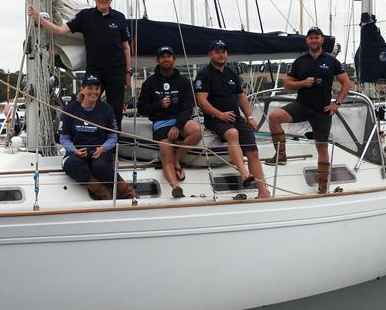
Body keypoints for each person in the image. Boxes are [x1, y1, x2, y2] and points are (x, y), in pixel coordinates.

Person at [28, 0, 132, 129]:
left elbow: (126, 47)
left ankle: (112, 144)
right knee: (86, 104)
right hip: (95, 70)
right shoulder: (85, 16)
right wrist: (39, 18)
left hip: (117, 70)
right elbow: (59, 31)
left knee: (115, 110)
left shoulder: (119, 17)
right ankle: (88, 139)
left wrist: (128, 72)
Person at [264, 26, 351, 194]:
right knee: (274, 117)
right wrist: (302, 83)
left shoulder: (331, 61)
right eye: (311, 38)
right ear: (307, 41)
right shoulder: (300, 61)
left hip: (322, 110)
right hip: (301, 106)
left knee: (322, 148)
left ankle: (323, 187)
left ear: (322, 40)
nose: (314, 40)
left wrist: (337, 104)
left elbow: (346, 83)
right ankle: (281, 156)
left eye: (316, 37)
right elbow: (288, 84)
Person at [194, 40, 271, 199]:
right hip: (216, 119)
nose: (221, 55)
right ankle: (244, 174)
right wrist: (219, 114)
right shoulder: (204, 75)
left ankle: (263, 192)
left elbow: (242, 98)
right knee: (233, 133)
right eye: (217, 52)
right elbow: (201, 101)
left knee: (253, 152)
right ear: (210, 54)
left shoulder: (231, 74)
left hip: (236, 117)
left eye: (223, 52)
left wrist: (250, 117)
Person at [137, 46, 204, 198]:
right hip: (161, 121)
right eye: (162, 57)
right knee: (165, 154)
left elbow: (188, 107)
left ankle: (177, 159)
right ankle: (175, 187)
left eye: (169, 56)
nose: (166, 59)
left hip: (181, 120)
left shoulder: (184, 82)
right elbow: (142, 109)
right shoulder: (150, 83)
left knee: (198, 130)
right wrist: (159, 104)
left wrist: (177, 126)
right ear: (158, 60)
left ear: (174, 60)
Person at [59, 75, 136, 200]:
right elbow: (64, 138)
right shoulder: (70, 109)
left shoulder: (106, 109)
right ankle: (105, 194)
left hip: (99, 151)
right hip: (77, 151)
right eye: (90, 88)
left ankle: (130, 194)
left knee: (99, 167)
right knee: (71, 164)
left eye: (97, 88)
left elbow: (113, 137)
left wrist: (102, 149)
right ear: (83, 89)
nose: (94, 92)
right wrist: (75, 151)